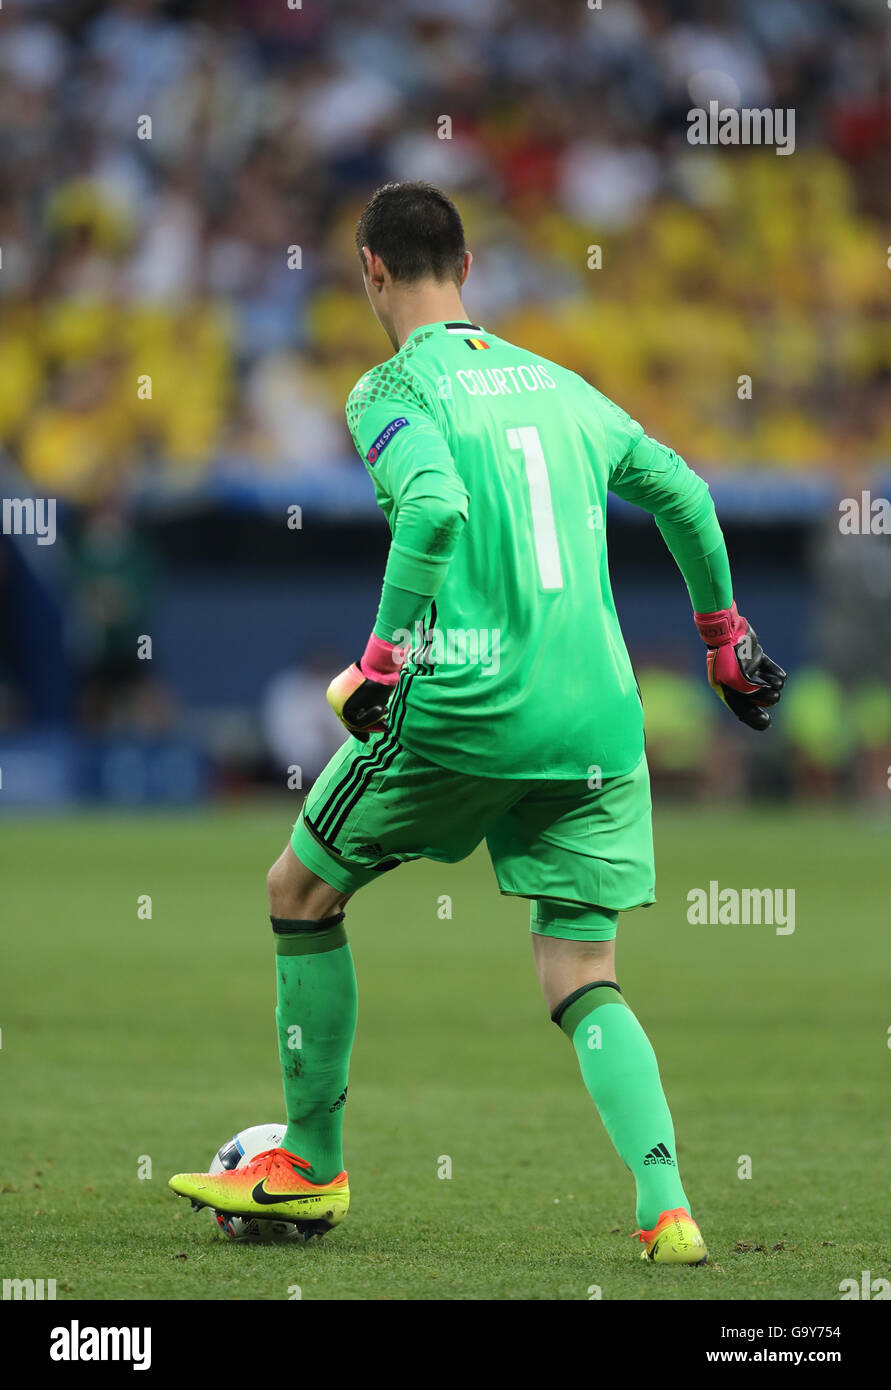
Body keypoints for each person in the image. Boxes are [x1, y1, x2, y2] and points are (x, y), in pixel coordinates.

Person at [169, 182, 785, 1263]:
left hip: (467, 702)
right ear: (469, 270)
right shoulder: (562, 386)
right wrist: (725, 642)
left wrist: (378, 661)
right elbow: (685, 493)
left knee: (298, 889)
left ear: (370, 270)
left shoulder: (390, 389)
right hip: (597, 718)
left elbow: (438, 507)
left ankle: (310, 1162)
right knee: (581, 971)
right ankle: (668, 1208)